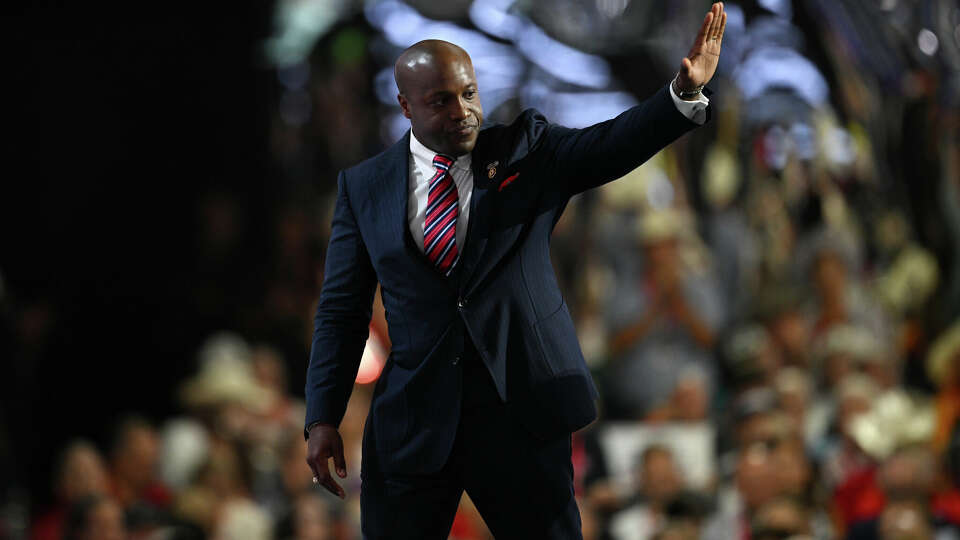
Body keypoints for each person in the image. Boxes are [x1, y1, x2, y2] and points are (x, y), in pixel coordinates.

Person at [303, 4, 727, 537]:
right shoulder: (364, 188)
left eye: (469, 93)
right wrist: (322, 416)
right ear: (404, 106)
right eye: (441, 100)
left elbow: (609, 145)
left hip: (520, 411)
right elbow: (341, 311)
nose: (462, 110)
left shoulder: (526, 150)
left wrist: (679, 97)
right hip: (415, 423)